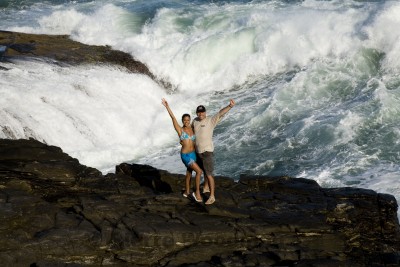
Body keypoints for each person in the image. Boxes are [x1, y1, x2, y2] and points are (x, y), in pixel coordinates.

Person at [192, 99, 235, 205]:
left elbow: (220, 113)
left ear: (205, 112)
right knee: (204, 171)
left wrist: (230, 106)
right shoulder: (195, 121)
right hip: (198, 152)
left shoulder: (210, 120)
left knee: (209, 174)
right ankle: (206, 187)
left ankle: (212, 196)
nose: (200, 113)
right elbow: (192, 133)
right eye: (199, 112)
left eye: (202, 112)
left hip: (207, 152)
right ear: (197, 113)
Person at [161, 98, 203, 202]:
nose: (186, 122)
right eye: (184, 120)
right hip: (186, 155)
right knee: (199, 171)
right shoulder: (180, 130)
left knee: (189, 172)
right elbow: (173, 118)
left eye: (188, 120)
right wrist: (167, 106)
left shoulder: (193, 129)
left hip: (193, 154)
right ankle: (196, 193)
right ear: (182, 121)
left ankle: (186, 192)